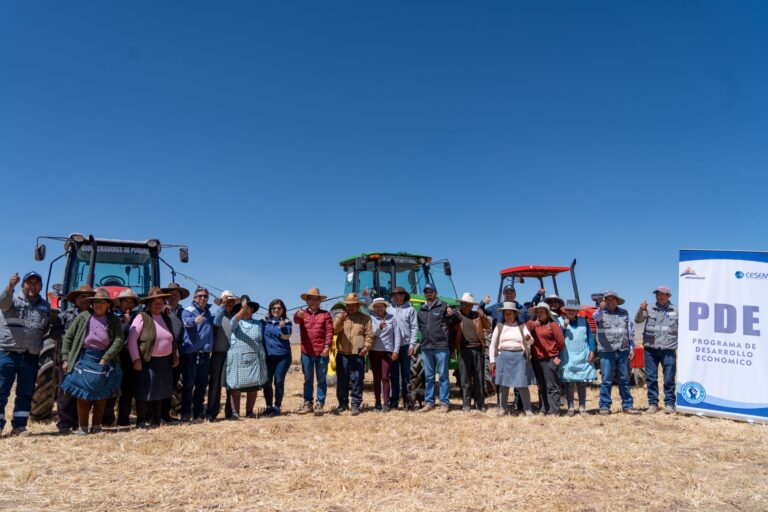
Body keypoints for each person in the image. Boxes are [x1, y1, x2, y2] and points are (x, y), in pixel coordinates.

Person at [60, 287, 124, 435]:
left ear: (108, 304)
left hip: (104, 358)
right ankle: (83, 427)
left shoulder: (113, 320)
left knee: (101, 394)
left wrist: (105, 358)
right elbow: (68, 337)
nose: (98, 304)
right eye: (95, 302)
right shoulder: (83, 317)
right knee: (82, 393)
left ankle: (96, 426)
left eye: (102, 302)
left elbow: (119, 340)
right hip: (84, 357)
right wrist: (65, 358)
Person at [0, 271, 52, 436]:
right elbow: (2, 304)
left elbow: (45, 328)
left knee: (26, 392)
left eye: (37, 283)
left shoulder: (45, 306)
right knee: (1, 390)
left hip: (31, 356)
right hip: (8, 353)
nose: (33, 286)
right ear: (22, 285)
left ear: (41, 287)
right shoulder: (12, 300)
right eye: (29, 282)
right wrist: (10, 286)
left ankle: (19, 426)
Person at [127, 287, 179, 428]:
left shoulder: (166, 318)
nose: (158, 305)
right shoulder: (141, 317)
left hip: (164, 361)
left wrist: (176, 355)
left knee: (160, 391)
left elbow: (172, 339)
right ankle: (141, 421)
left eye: (161, 302)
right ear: (149, 303)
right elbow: (132, 339)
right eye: (155, 302)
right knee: (143, 391)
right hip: (147, 361)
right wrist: (136, 359)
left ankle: (156, 420)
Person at [50, 284, 94, 434]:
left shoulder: (95, 316)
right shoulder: (64, 315)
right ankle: (64, 424)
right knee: (66, 391)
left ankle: (78, 422)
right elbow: (54, 332)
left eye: (88, 297)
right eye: (81, 296)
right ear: (75, 299)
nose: (84, 299)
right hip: (67, 358)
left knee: (82, 391)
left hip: (86, 359)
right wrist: (72, 338)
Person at [410, 283, 459, 413]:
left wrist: (452, 313)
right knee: (429, 377)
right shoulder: (421, 310)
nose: (429, 293)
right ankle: (429, 402)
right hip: (426, 347)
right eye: (426, 291)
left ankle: (444, 402)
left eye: (431, 291)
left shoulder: (444, 306)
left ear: (435, 292)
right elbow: (420, 327)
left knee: (443, 375)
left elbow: (456, 319)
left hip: (441, 347)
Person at [180, 287, 224, 422]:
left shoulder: (209, 313)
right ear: (194, 298)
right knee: (188, 385)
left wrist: (222, 306)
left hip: (205, 353)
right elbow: (186, 322)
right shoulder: (188, 310)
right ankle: (185, 413)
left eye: (205, 296)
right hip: (190, 353)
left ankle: (198, 413)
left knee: (201, 385)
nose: (203, 298)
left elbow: (217, 321)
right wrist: (194, 321)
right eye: (200, 296)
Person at [593, 290, 640, 415]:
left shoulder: (624, 313)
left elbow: (630, 331)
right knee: (606, 379)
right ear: (604, 301)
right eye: (607, 299)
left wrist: (632, 348)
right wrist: (601, 309)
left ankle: (627, 405)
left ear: (617, 301)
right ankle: (604, 406)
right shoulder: (600, 313)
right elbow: (595, 317)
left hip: (623, 350)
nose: (610, 301)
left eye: (612, 299)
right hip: (606, 351)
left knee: (624, 379)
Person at [635, 286, 678, 414]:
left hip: (668, 348)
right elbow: (638, 320)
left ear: (669, 296)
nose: (659, 296)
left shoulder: (676, 310)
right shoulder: (649, 308)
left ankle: (669, 404)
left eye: (662, 294)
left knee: (669, 378)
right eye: (657, 294)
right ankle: (653, 403)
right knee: (651, 378)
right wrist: (640, 309)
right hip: (650, 348)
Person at [488, 302, 534, 417]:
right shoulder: (499, 326)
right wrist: (492, 361)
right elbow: (492, 345)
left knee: (522, 385)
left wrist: (528, 338)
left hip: (520, 358)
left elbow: (531, 341)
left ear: (515, 314)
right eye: (506, 314)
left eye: (510, 314)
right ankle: (502, 409)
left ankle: (528, 410)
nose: (508, 316)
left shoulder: (522, 326)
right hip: (503, 358)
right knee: (503, 385)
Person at [104, 288, 141, 427]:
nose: (128, 304)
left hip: (130, 357)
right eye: (125, 301)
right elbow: (112, 336)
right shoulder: (111, 316)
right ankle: (107, 419)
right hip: (115, 357)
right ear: (119, 302)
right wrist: (124, 323)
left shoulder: (138, 317)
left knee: (127, 390)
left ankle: (124, 419)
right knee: (112, 388)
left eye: (131, 302)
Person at [226, 296, 268, 417]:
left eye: (248, 307)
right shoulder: (236, 322)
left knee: (253, 385)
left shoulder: (258, 324)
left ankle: (249, 411)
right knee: (235, 386)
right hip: (237, 359)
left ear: (252, 309)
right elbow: (233, 322)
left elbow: (260, 341)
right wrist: (242, 310)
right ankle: (235, 413)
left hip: (254, 358)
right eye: (243, 307)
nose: (246, 309)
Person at [294, 287, 333, 416]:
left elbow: (329, 332)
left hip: (322, 352)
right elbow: (296, 320)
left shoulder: (326, 314)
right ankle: (307, 403)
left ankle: (320, 404)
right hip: (306, 352)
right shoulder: (302, 314)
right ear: (307, 301)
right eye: (311, 299)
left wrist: (327, 346)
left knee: (321, 380)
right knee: (308, 379)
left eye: (316, 299)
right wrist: (296, 315)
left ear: (320, 301)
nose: (314, 302)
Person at [333, 293, 373, 415]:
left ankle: (355, 404)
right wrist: (341, 320)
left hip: (358, 353)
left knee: (357, 380)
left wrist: (366, 347)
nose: (351, 308)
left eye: (353, 305)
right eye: (349, 305)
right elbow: (334, 330)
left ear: (357, 305)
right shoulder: (340, 317)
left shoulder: (365, 318)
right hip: (342, 353)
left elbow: (369, 335)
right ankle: (343, 404)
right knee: (342, 381)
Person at [526, 302, 565, 415]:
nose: (539, 314)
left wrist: (554, 354)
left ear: (547, 313)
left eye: (542, 312)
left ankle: (553, 410)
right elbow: (526, 328)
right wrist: (533, 324)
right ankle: (543, 408)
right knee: (541, 385)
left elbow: (561, 343)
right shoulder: (533, 325)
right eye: (537, 312)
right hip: (536, 359)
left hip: (550, 359)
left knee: (552, 385)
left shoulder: (553, 325)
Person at [558, 304, 597, 416]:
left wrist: (592, 350)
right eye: (569, 310)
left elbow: (590, 336)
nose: (571, 312)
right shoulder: (561, 321)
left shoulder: (584, 321)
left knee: (581, 383)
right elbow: (559, 338)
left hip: (583, 355)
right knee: (569, 383)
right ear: (565, 311)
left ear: (577, 311)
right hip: (568, 356)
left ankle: (582, 407)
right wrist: (564, 328)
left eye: (573, 310)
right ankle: (570, 407)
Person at [455, 292, 491, 412]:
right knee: (465, 379)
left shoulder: (477, 315)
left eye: (469, 305)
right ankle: (466, 404)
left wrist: (483, 316)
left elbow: (488, 326)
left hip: (477, 349)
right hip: (464, 350)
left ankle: (480, 404)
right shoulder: (457, 316)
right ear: (461, 304)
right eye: (465, 304)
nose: (467, 307)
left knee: (479, 378)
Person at [159, 282, 189, 423]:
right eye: (172, 293)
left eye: (177, 293)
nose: (174, 295)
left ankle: (166, 414)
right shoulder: (161, 309)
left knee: (172, 384)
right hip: (163, 351)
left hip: (178, 352)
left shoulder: (183, 312)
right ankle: (158, 414)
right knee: (162, 383)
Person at [208, 290, 238, 420]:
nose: (228, 304)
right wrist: (222, 306)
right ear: (220, 302)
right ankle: (212, 413)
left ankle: (230, 412)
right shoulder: (216, 315)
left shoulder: (235, 317)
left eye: (231, 302)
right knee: (215, 384)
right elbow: (216, 323)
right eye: (226, 301)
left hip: (231, 354)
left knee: (231, 384)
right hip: (218, 353)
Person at [388, 287, 418, 410]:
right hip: (392, 347)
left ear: (404, 296)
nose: (396, 297)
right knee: (394, 375)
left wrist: (412, 345)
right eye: (394, 295)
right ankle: (394, 401)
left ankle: (407, 401)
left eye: (398, 294)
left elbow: (414, 328)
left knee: (406, 375)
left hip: (405, 346)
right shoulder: (389, 309)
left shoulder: (410, 310)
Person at [261, 299, 292, 417]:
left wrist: (282, 327)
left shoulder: (287, 322)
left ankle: (277, 406)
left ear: (283, 310)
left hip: (283, 357)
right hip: (268, 357)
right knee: (267, 382)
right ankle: (269, 406)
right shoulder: (264, 322)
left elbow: (286, 336)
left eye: (279, 308)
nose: (276, 310)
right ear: (270, 310)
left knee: (278, 381)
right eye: (274, 308)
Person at [369, 297, 399, 413]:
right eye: (376, 307)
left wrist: (395, 350)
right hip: (374, 351)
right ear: (374, 308)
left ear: (384, 307)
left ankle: (386, 403)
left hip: (387, 351)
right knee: (376, 378)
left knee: (385, 377)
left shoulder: (392, 318)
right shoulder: (371, 319)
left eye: (381, 306)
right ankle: (377, 403)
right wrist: (379, 328)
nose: (378, 308)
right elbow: (372, 334)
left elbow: (397, 335)